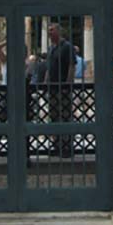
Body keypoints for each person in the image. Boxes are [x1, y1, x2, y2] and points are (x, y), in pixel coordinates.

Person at [46, 23, 74, 157]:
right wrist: (46, 82)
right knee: (54, 116)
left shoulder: (67, 47)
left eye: (52, 30)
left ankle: (66, 146)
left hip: (62, 88)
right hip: (52, 89)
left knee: (65, 116)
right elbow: (49, 67)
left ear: (58, 31)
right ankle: (56, 145)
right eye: (49, 31)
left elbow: (71, 66)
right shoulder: (52, 48)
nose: (49, 33)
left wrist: (67, 85)